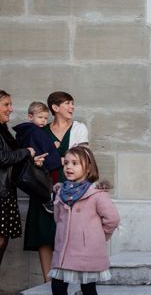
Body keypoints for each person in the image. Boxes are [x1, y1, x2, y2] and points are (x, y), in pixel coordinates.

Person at [23, 92, 89, 282]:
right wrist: (36, 159)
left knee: (69, 234)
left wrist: (54, 158)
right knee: (44, 234)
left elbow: (82, 158)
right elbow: (32, 156)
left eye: (72, 104)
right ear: (55, 107)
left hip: (71, 189)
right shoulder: (41, 130)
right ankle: (47, 282)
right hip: (43, 187)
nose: (72, 107)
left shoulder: (78, 128)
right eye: (68, 103)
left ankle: (68, 280)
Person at [49, 145, 120, 295]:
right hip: (64, 251)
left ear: (88, 168)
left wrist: (99, 235)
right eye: (66, 163)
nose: (69, 167)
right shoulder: (61, 192)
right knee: (58, 286)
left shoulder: (96, 194)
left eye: (75, 163)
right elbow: (58, 218)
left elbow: (112, 219)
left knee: (88, 288)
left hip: (87, 251)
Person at [0, 90, 46, 267]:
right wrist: (26, 151)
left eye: (10, 104)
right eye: (6, 104)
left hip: (5, 191)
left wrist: (31, 159)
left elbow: (11, 158)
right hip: (1, 192)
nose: (11, 109)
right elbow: (2, 157)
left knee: (4, 240)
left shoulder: (3, 129)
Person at [14, 102, 62, 214]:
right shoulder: (35, 132)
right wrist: (53, 149)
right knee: (45, 187)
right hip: (38, 166)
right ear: (30, 116)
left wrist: (51, 145)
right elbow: (41, 150)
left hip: (27, 167)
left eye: (45, 118)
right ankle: (47, 200)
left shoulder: (25, 131)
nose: (43, 121)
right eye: (40, 117)